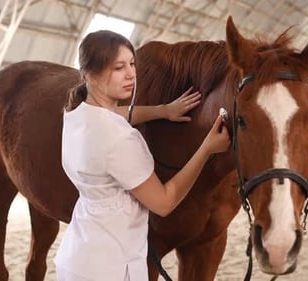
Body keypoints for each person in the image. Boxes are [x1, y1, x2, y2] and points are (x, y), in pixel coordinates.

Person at [54, 30, 230, 281]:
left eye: (132, 64)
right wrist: (206, 149)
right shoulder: (120, 139)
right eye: (118, 68)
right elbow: (164, 202)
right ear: (90, 75)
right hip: (111, 267)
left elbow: (116, 114)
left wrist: (162, 111)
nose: (131, 74)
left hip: (78, 256)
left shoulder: (76, 115)